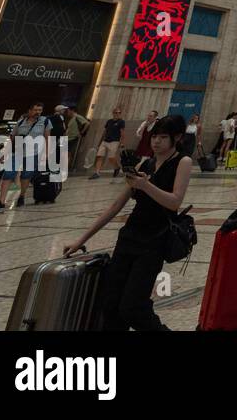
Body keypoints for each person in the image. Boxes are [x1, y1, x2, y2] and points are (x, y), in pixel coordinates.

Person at [63, 115, 193, 330]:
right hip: (129, 237)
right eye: (154, 137)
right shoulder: (145, 163)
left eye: (162, 137)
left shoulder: (182, 162)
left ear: (177, 138)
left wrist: (145, 186)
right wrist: (81, 239)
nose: (156, 142)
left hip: (154, 242)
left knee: (134, 307)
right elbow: (116, 205)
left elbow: (174, 202)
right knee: (111, 304)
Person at [0, 104, 50, 211]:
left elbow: (47, 138)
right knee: (8, 174)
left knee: (26, 175)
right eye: (35, 110)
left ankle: (21, 196)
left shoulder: (45, 122)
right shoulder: (21, 122)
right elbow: (12, 138)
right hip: (17, 152)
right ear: (30, 110)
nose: (38, 112)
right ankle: (1, 202)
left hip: (33, 153)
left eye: (40, 110)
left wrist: (45, 154)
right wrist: (5, 153)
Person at [89, 107, 127, 180]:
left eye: (119, 113)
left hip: (114, 141)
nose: (117, 114)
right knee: (99, 156)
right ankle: (97, 173)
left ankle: (117, 167)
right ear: (113, 113)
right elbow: (104, 132)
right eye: (116, 112)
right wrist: (100, 142)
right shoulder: (109, 121)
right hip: (105, 141)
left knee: (111, 157)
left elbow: (122, 133)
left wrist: (122, 143)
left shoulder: (121, 122)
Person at [59, 104, 91, 171]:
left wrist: (81, 133)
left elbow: (87, 123)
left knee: (68, 153)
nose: (67, 112)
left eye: (68, 111)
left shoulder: (77, 117)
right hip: (67, 138)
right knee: (64, 153)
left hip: (72, 138)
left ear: (72, 111)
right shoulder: (72, 119)